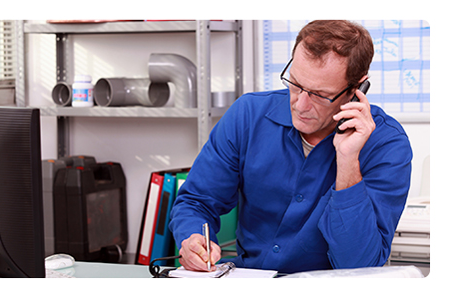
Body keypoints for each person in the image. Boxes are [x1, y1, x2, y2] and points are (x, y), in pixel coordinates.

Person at [169, 20, 412, 274]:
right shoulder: (248, 116)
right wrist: (194, 238)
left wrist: (348, 161)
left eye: (319, 94)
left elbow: (359, 266)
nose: (300, 105)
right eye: (295, 84)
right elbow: (196, 201)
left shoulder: (388, 145)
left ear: (356, 89)